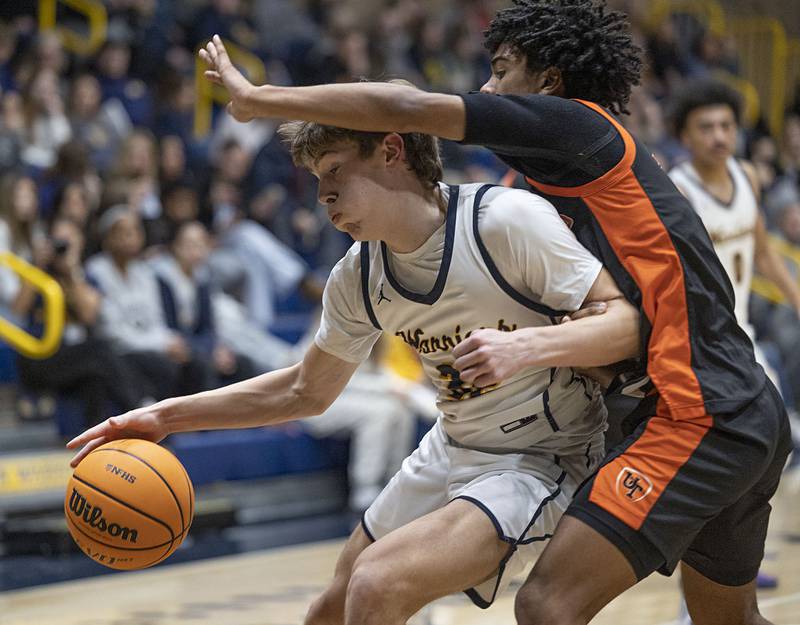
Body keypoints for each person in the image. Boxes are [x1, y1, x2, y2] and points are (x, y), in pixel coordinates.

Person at [194, 1, 792, 623]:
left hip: (699, 410)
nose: (486, 88)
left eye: (502, 71)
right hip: (735, 403)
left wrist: (261, 99)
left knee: (546, 605)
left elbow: (403, 106)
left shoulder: (579, 127)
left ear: (548, 82)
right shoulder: (544, 188)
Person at [68, 119, 641, 623]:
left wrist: (527, 347)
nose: (323, 194)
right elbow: (304, 389)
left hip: (543, 454)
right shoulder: (357, 276)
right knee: (331, 610)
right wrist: (164, 416)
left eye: (335, 170)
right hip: (454, 442)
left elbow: (626, 325)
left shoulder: (504, 221)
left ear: (392, 151)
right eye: (318, 178)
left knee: (377, 583)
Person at [668, 79, 800, 401]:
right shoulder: (677, 190)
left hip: (741, 328)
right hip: (702, 340)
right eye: (706, 127)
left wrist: (797, 300)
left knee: (774, 415)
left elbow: (763, 254)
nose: (719, 136)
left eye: (726, 126)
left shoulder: (747, 175)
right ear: (685, 136)